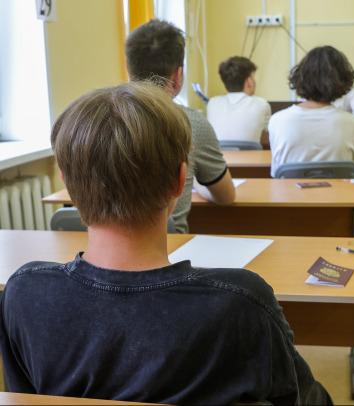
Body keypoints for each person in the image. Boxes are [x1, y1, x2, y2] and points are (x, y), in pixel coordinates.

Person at [0, 81, 333, 405]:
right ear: (180, 181)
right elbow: (300, 397)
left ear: (68, 186)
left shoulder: (23, 292)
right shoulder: (241, 303)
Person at [125, 19, 235, 233]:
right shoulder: (191, 124)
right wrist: (196, 183)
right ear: (177, 75)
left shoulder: (97, 119)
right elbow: (226, 196)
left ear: (129, 70)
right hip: (169, 247)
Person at [269, 46, 354, 178]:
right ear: (343, 80)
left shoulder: (277, 121)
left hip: (291, 191)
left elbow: (276, 172)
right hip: (341, 191)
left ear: (300, 76)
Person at [207, 56, 271, 143]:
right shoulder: (261, 104)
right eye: (253, 77)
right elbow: (268, 138)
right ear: (249, 81)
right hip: (252, 152)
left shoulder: (212, 103)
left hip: (218, 152)